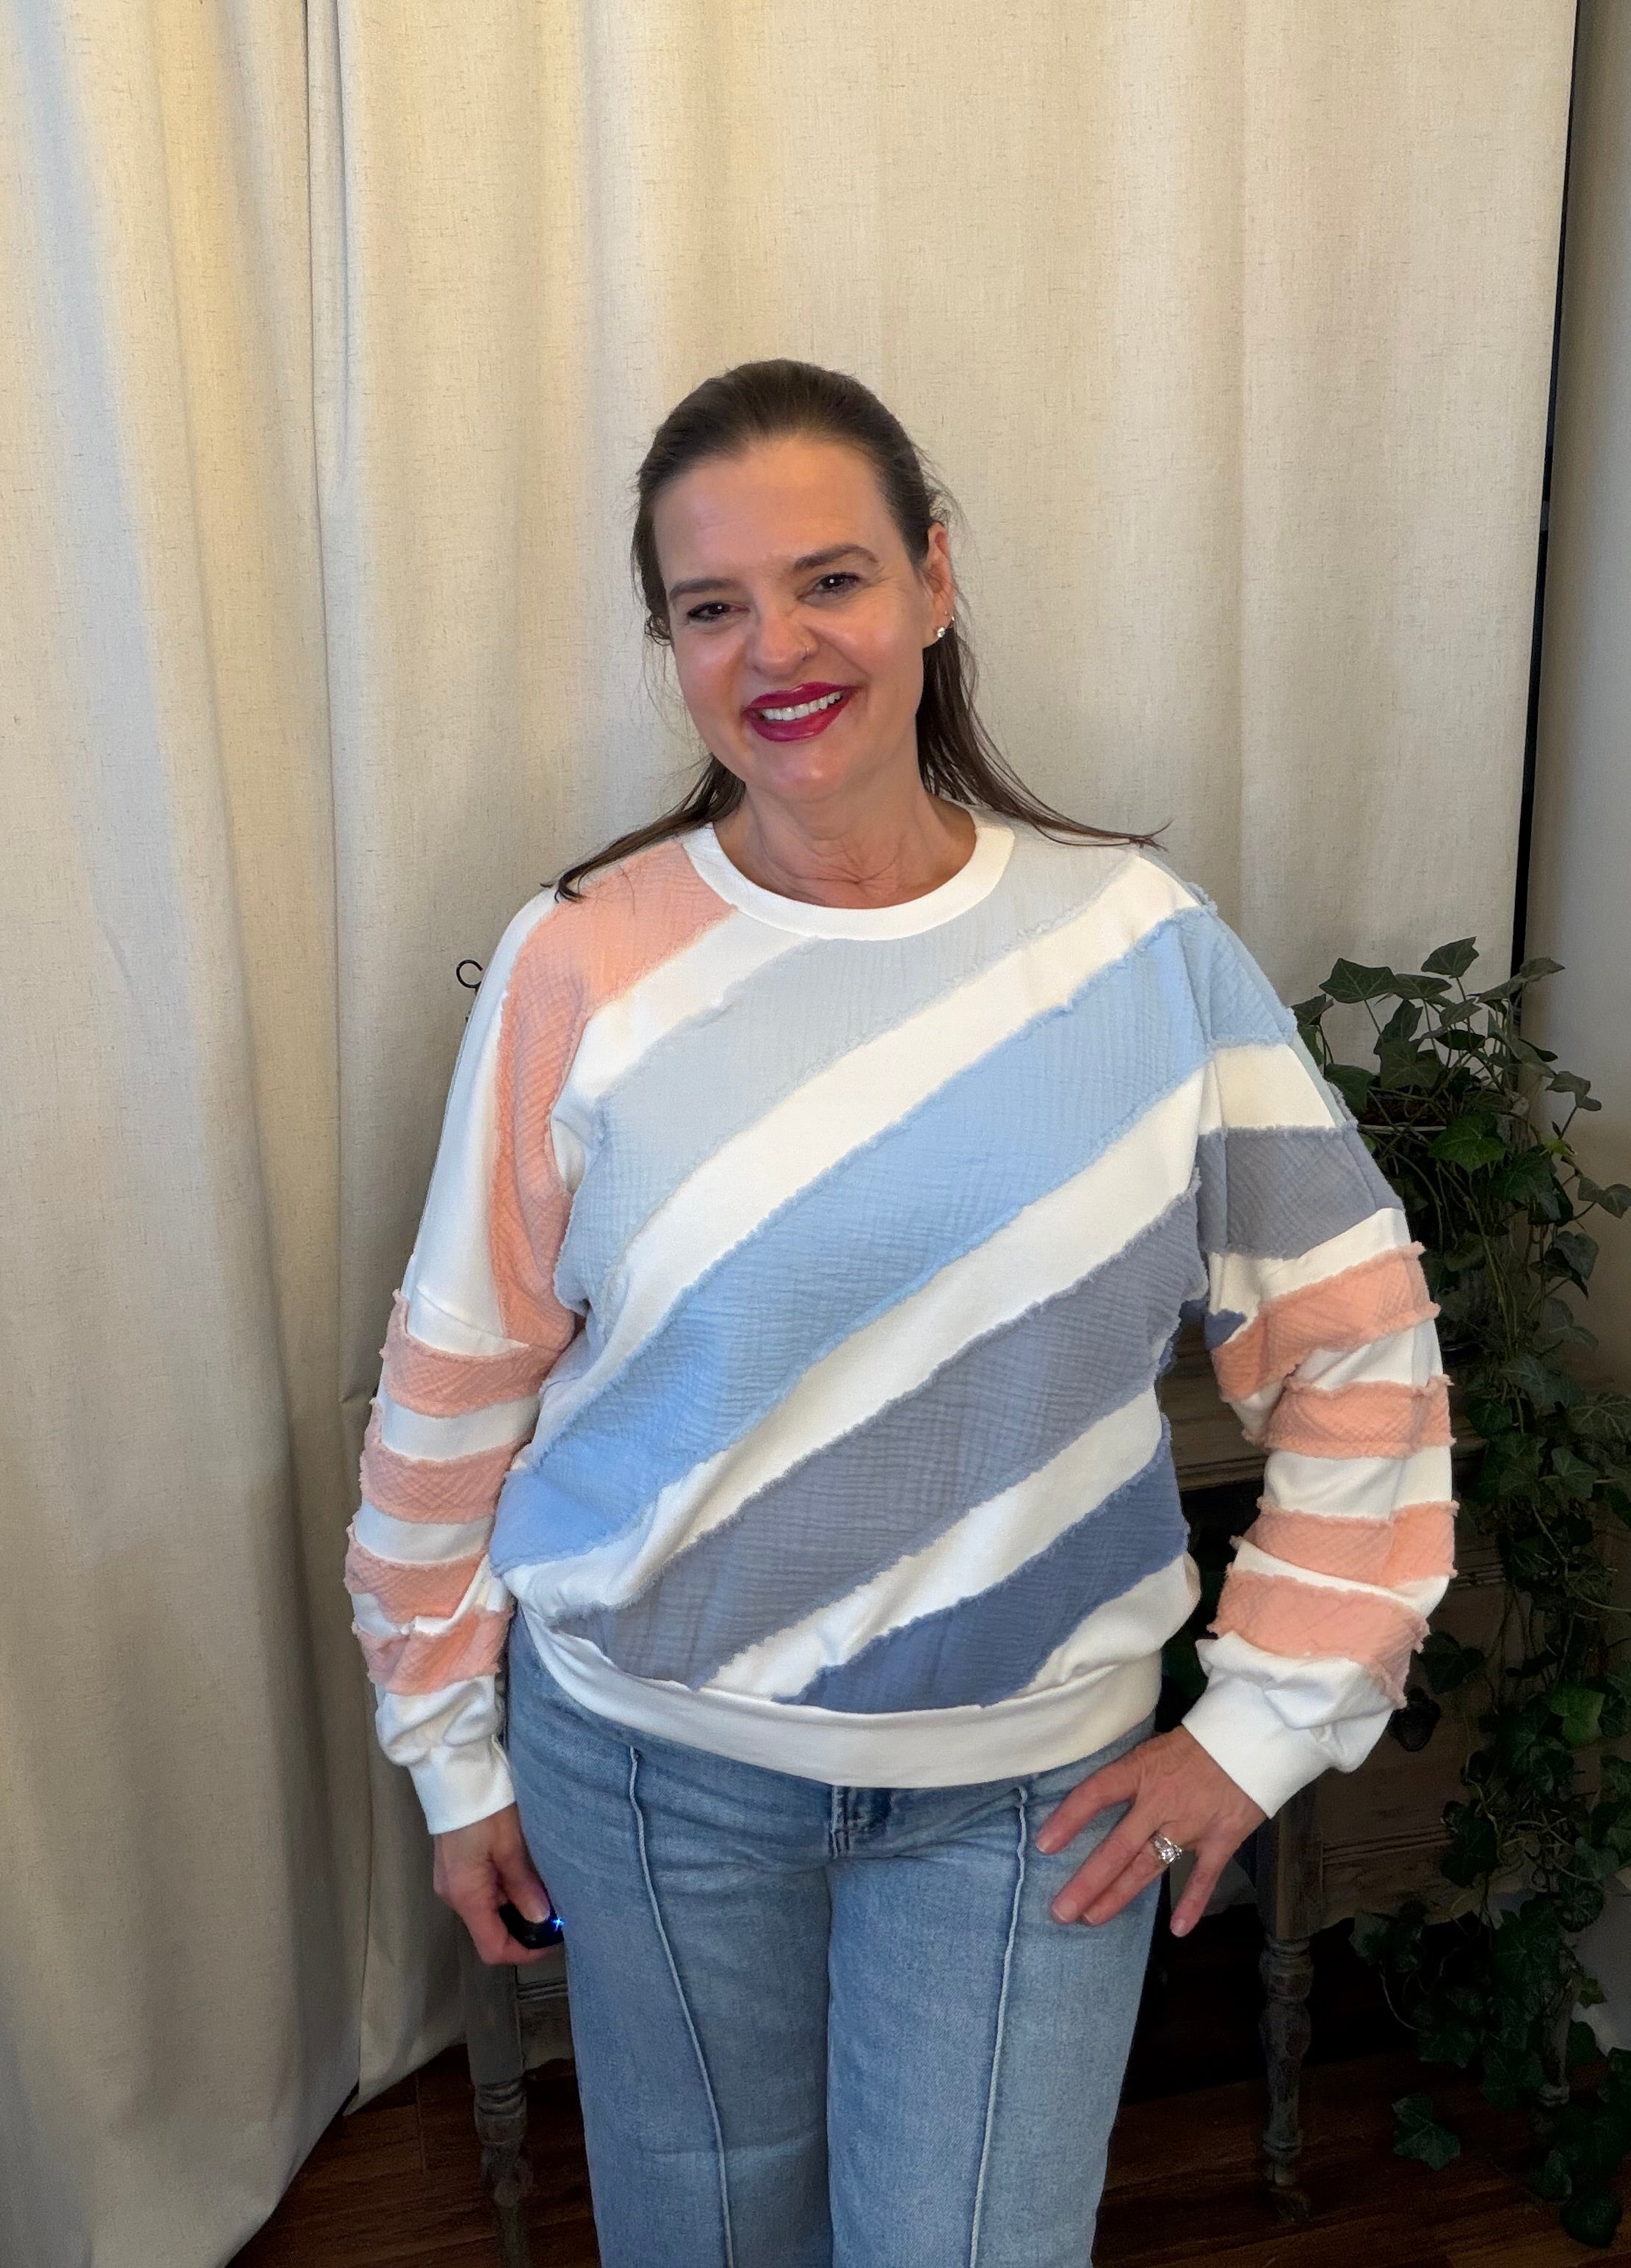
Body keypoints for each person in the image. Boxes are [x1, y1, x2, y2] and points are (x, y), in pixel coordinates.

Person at [344, 359, 1455, 2267]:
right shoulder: (582, 961)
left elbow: (1357, 1350)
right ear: (672, 648)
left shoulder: (1136, 950)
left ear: (933, 582)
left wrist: (1260, 1726)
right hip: (649, 1776)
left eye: (830, 578)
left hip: (1029, 1807)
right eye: (711, 606)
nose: (775, 643)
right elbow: (461, 1374)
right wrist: (455, 1759)